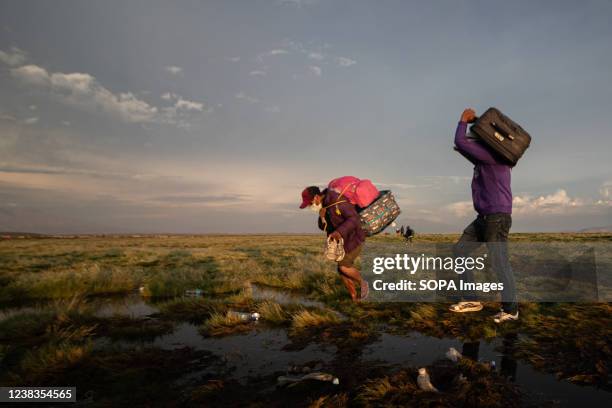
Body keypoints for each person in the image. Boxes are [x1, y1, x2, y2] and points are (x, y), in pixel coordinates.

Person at [449, 108, 518, 323]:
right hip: (485, 218)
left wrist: (463, 121)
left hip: (496, 217)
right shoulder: (484, 160)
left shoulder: (493, 156)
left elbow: (461, 142)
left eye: (475, 142)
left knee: (499, 263)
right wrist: (463, 148)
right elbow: (464, 148)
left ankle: (511, 310)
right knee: (460, 250)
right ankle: (471, 299)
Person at [300, 185, 369, 302]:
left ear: (316, 197)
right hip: (341, 243)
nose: (310, 206)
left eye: (310, 202)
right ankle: (354, 298)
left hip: (354, 238)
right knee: (341, 271)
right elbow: (324, 227)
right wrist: (322, 218)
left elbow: (354, 219)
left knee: (344, 266)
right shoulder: (325, 206)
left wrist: (339, 232)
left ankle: (365, 284)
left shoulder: (337, 201)